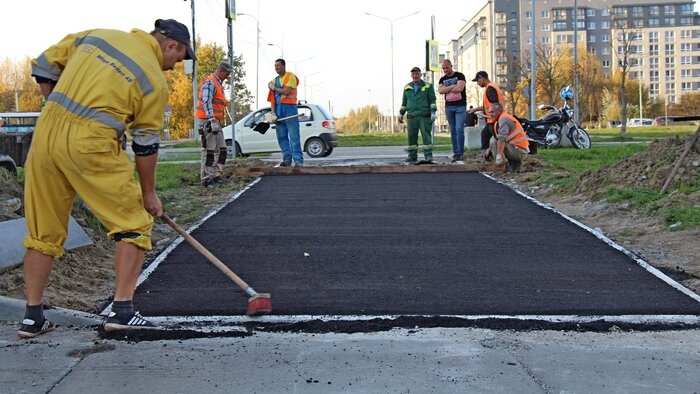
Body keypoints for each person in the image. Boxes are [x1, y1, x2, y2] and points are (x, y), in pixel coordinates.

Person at [18, 18, 194, 338]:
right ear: (171, 45)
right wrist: (149, 193)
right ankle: (123, 312)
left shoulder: (96, 36)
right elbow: (145, 144)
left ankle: (32, 317)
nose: (175, 66)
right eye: (178, 59)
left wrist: (58, 107)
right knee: (134, 224)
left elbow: (43, 66)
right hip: (91, 144)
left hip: (44, 138)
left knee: (43, 233)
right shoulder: (152, 78)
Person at [196, 60, 231, 187]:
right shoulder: (210, 82)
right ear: (220, 71)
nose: (227, 77)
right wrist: (211, 120)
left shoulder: (219, 84)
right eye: (226, 74)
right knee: (209, 151)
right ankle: (206, 179)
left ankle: (216, 175)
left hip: (216, 121)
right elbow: (206, 102)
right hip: (208, 122)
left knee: (222, 149)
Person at [267, 58, 302, 167]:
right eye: (275, 66)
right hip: (278, 112)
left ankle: (298, 161)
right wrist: (273, 113)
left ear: (283, 66)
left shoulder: (290, 76)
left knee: (294, 136)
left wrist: (273, 87)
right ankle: (287, 159)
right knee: (281, 137)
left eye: (278, 65)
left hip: (290, 111)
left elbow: (285, 91)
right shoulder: (274, 80)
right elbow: (272, 99)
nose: (276, 67)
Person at [399, 67, 437, 164]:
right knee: (411, 137)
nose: (415, 76)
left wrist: (433, 113)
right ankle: (412, 156)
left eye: (417, 74)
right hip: (411, 116)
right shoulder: (407, 87)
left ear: (420, 74)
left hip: (424, 115)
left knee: (426, 136)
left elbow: (432, 100)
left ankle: (428, 156)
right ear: (411, 75)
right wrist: (401, 114)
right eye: (413, 74)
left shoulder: (428, 86)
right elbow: (404, 102)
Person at [467, 71, 504, 157]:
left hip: (493, 119)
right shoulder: (491, 87)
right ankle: (486, 155)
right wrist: (475, 109)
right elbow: (487, 106)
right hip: (492, 119)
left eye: (477, 80)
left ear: (482, 78)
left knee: (497, 139)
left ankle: (499, 156)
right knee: (485, 135)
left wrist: (493, 114)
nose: (477, 83)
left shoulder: (490, 89)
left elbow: (495, 104)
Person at [437, 59, 467, 164]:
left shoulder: (460, 75)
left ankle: (460, 153)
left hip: (460, 106)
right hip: (448, 107)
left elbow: (459, 88)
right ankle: (455, 152)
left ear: (451, 65)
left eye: (447, 67)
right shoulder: (442, 79)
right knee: (453, 131)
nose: (445, 70)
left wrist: (448, 88)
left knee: (459, 129)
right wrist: (452, 86)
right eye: (443, 68)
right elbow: (440, 91)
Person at [487, 102, 529, 172]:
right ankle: (511, 166)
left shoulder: (504, 120)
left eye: (492, 112)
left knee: (493, 143)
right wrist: (489, 149)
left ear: (499, 111)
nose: (490, 115)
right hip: (517, 149)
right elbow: (499, 137)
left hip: (520, 152)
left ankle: (501, 168)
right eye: (489, 112)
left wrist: (499, 156)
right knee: (493, 143)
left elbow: (501, 138)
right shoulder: (499, 121)